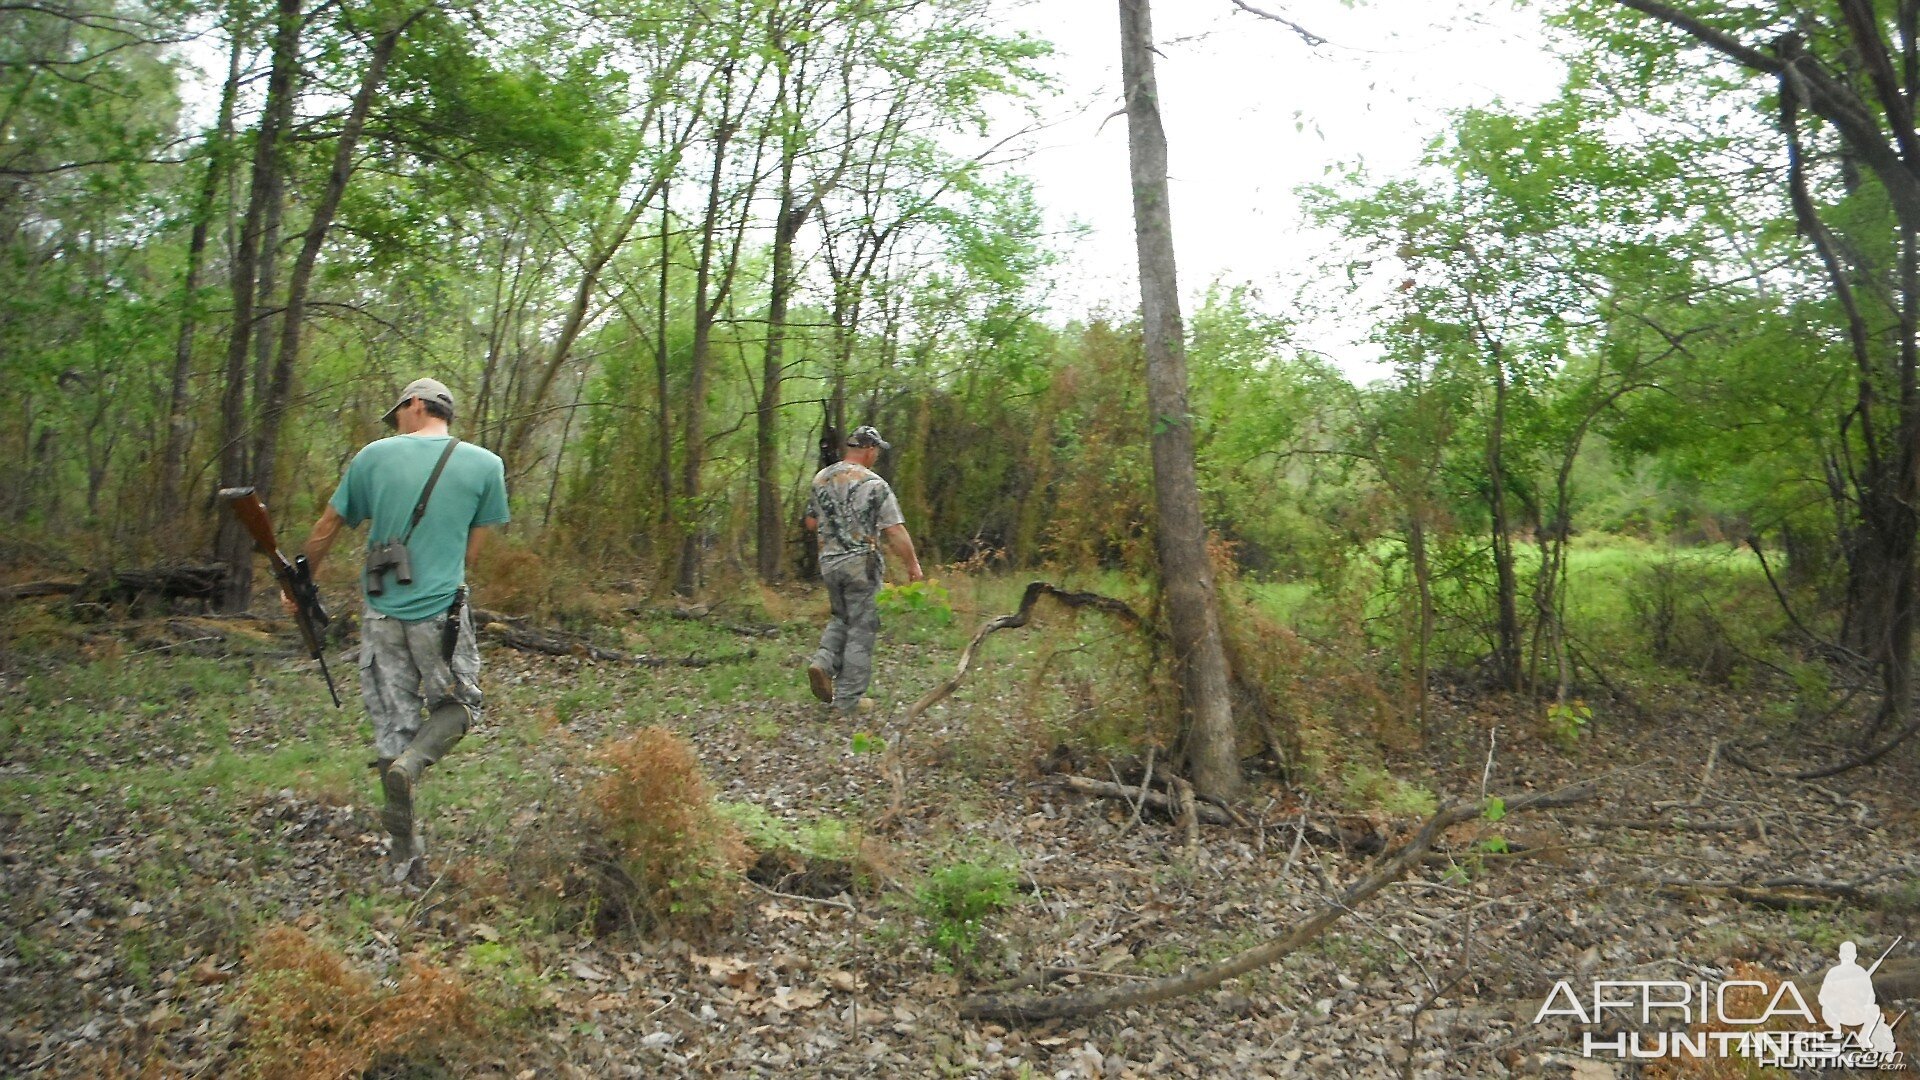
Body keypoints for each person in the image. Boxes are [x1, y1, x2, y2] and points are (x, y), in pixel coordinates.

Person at [293, 377, 509, 883]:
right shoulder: (486, 465)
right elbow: (472, 555)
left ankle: (405, 858)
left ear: (415, 405)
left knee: (393, 724)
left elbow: (327, 526)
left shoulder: (372, 457)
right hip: (442, 613)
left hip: (381, 615)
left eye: (399, 414)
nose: (396, 425)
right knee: (462, 705)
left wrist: (298, 584)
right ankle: (413, 765)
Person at [804, 425, 924, 716]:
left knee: (840, 618)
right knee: (862, 628)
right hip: (861, 565)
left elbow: (810, 523)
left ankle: (822, 663)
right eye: (877, 451)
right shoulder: (875, 484)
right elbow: (894, 530)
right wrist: (913, 565)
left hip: (829, 563)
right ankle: (848, 701)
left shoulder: (821, 478)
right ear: (870, 450)